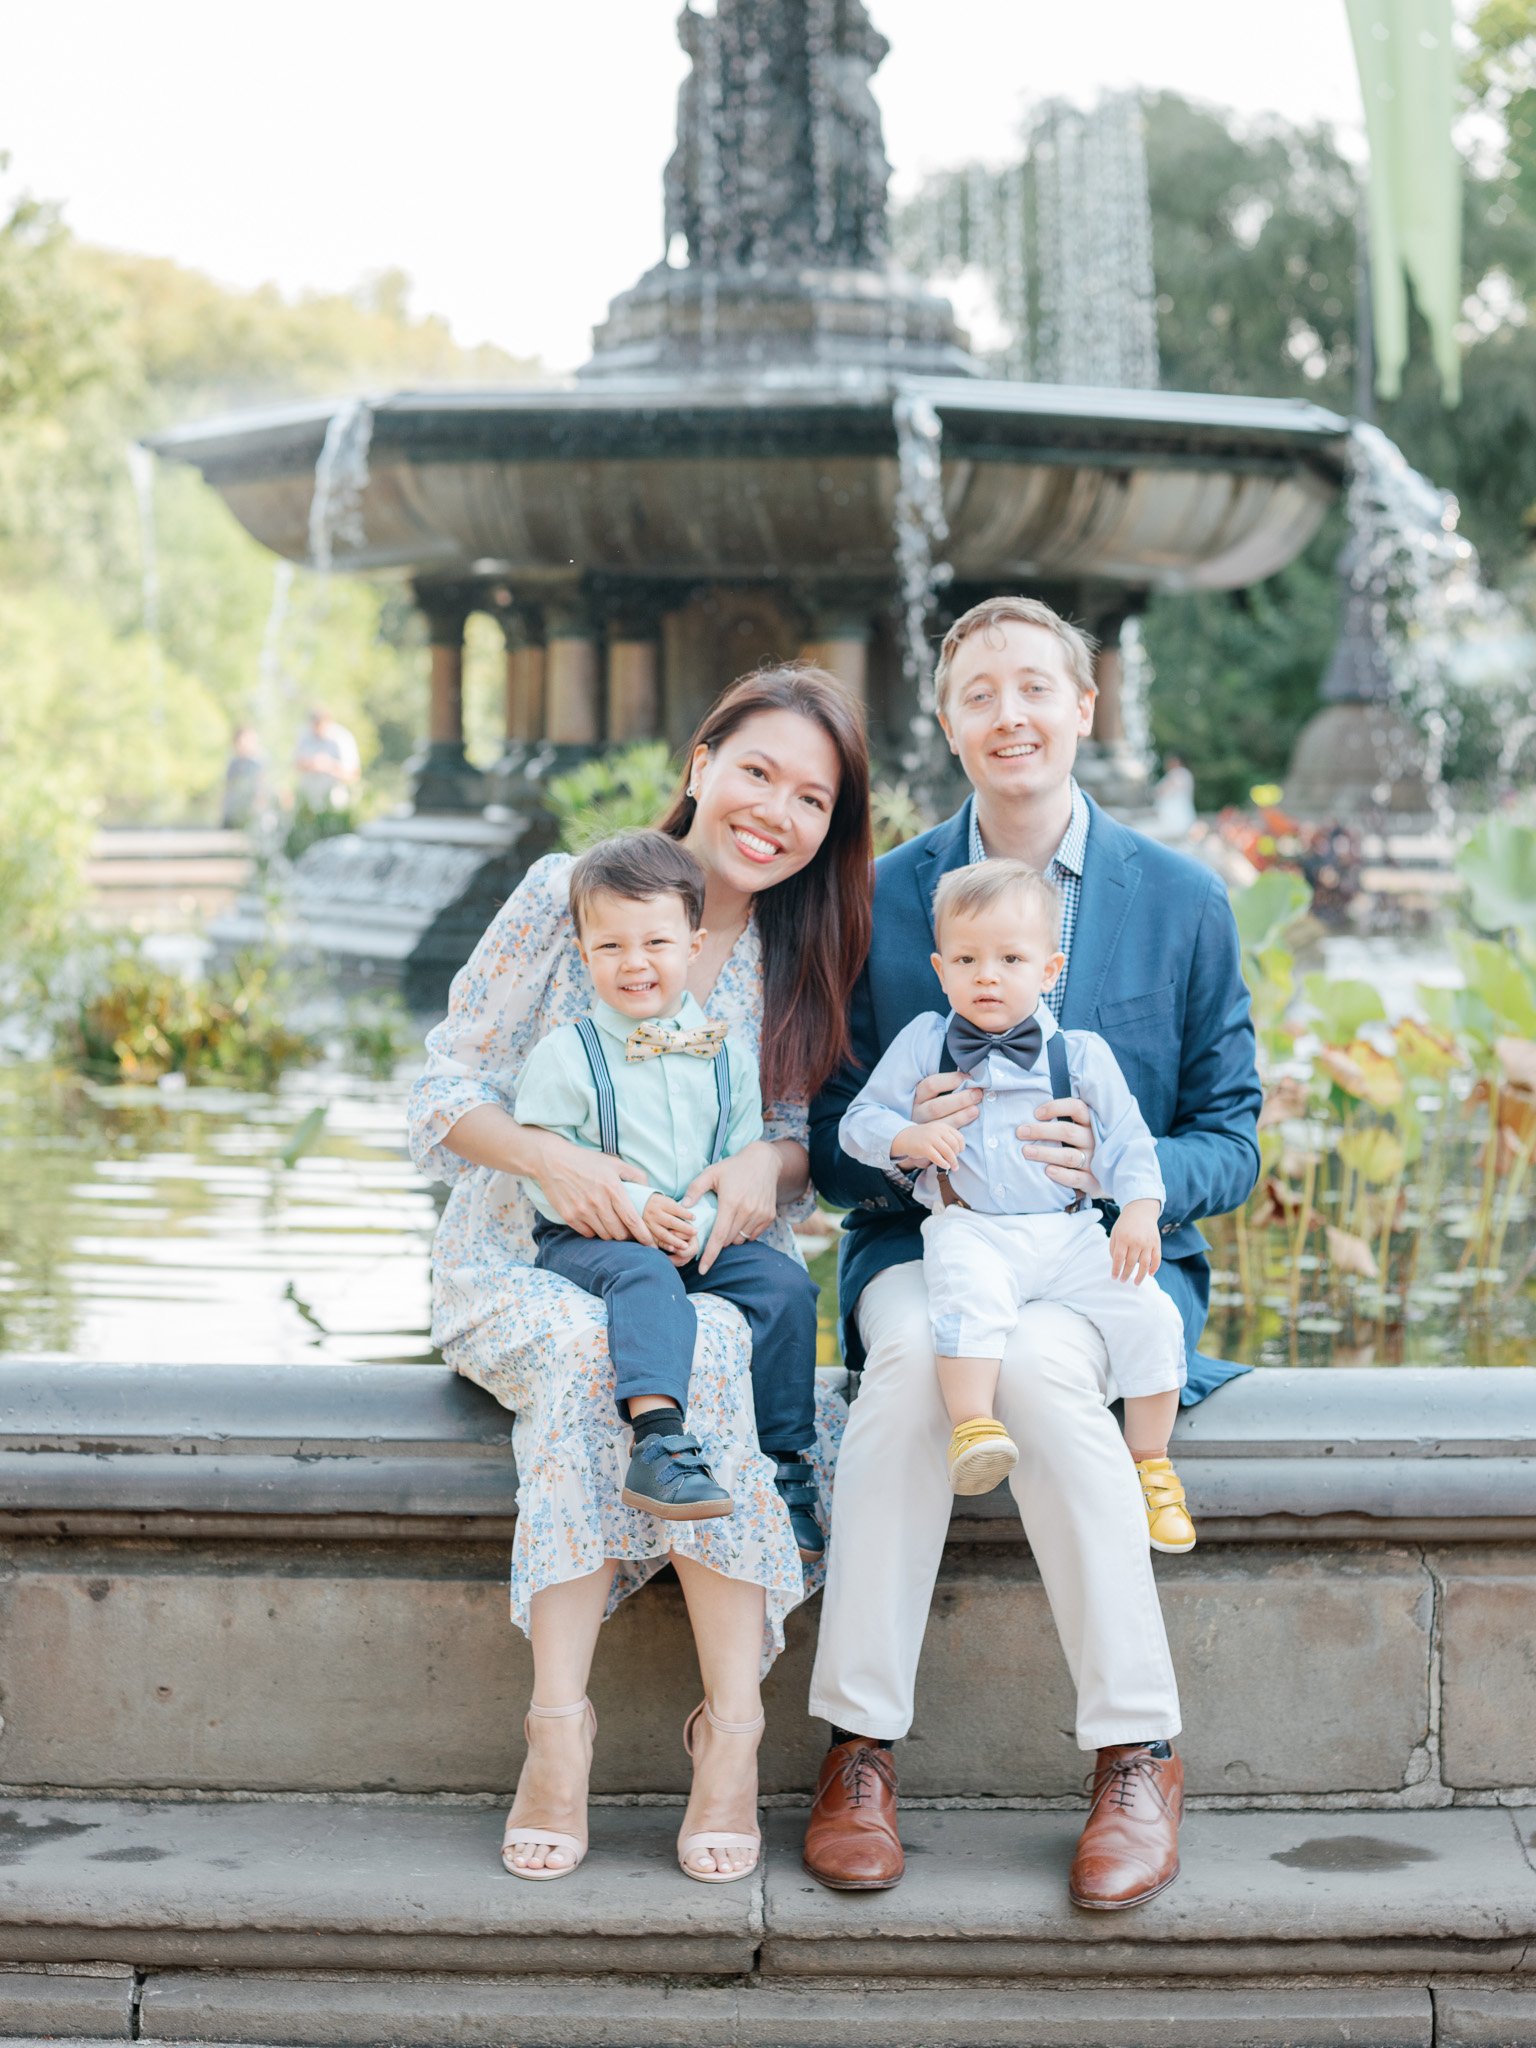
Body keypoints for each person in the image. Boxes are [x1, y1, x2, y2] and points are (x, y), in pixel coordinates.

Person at [803, 595, 1261, 1911]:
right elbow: (827, 1133)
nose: (1011, 714)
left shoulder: (1182, 901)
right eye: (980, 694)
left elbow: (1232, 1137)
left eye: (1034, 689)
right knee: (904, 1378)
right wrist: (901, 1143)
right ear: (947, 725)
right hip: (927, 1242)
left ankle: (1135, 1753)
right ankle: (859, 1750)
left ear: (1083, 707)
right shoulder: (879, 900)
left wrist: (1131, 1174)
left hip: (1094, 1257)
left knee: (1051, 1382)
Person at [407, 665, 871, 1886]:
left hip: (693, 1256)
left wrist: (754, 1171)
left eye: (811, 797)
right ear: (700, 761)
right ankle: (557, 1724)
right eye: (756, 769)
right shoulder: (562, 896)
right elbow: (442, 1087)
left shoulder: (792, 951)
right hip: (522, 1252)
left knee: (716, 1340)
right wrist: (551, 1157)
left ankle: (733, 1729)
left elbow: (792, 1145)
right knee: (584, 1348)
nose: (774, 809)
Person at [837, 858, 1194, 1550]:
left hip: (1070, 1233)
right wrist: (907, 1134)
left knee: (1151, 1315)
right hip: (972, 1227)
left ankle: (1151, 1463)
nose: (988, 975)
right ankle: (974, 1428)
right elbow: (857, 1124)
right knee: (964, 1299)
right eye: (967, 959)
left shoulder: (1080, 1054)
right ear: (941, 971)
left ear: (1049, 969)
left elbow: (1128, 1142)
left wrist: (1141, 1210)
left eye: (1010, 958)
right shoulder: (925, 1043)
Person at [514, 829, 821, 1546]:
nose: (634, 964)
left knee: (785, 1289)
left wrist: (704, 1217)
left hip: (697, 1227)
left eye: (654, 943)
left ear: (692, 943)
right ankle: (657, 1442)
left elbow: (741, 1153)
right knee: (648, 1279)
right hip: (591, 1235)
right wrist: (636, 1209)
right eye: (611, 947)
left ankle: (785, 1463)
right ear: (585, 954)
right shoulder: (566, 1055)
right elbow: (549, 1165)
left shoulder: (729, 1057)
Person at [292, 706, 361, 811]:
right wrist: (311, 764)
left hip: (336, 802)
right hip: (308, 800)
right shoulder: (305, 735)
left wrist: (329, 766)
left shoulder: (342, 738)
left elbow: (354, 774)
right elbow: (296, 765)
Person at [220, 725, 268, 830]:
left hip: (252, 814)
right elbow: (227, 788)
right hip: (232, 814)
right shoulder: (233, 763)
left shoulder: (258, 763)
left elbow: (262, 788)